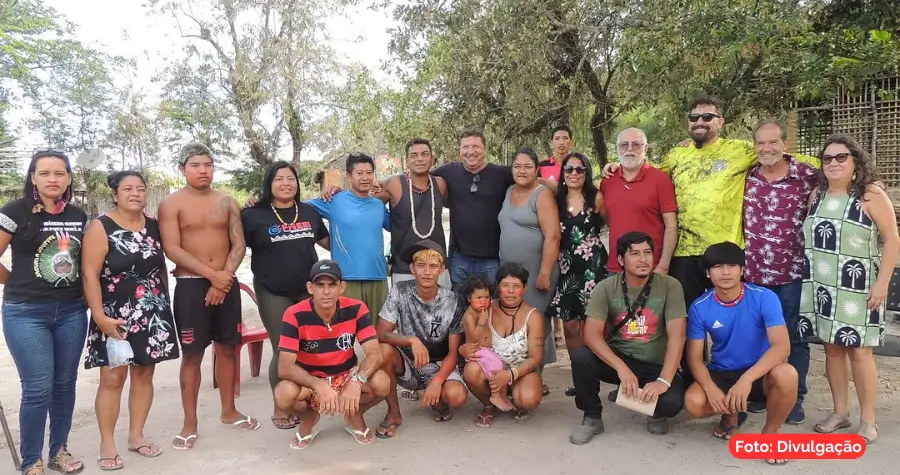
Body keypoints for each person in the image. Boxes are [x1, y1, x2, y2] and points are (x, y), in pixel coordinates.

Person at [157, 142, 257, 451]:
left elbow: (238, 243)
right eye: (196, 165)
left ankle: (229, 411)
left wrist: (223, 279)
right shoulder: (171, 204)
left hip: (225, 284)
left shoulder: (227, 202)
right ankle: (190, 423)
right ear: (182, 169)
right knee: (192, 354)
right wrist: (212, 276)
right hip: (190, 286)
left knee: (228, 349)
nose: (203, 170)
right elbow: (172, 248)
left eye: (208, 165)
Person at [800, 134, 899, 444]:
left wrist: (882, 284)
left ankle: (867, 420)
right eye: (827, 158)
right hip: (823, 286)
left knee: (860, 352)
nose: (833, 163)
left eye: (841, 157)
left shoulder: (870, 196)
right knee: (831, 349)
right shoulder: (816, 195)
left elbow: (892, 240)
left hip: (858, 288)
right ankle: (839, 412)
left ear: (855, 162)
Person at [81, 171, 179, 470]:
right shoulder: (102, 226)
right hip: (114, 314)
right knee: (113, 378)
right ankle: (107, 443)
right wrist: (99, 316)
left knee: (144, 374)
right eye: (128, 189)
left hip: (152, 311)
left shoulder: (153, 225)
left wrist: (163, 304)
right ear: (115, 194)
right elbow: (89, 274)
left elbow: (160, 265)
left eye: (140, 188)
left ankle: (136, 436)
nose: (135, 193)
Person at [0, 149, 89, 475]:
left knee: (65, 384)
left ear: (68, 178)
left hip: (72, 311)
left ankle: (59, 451)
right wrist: (15, 282)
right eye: (45, 173)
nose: (53, 179)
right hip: (25, 313)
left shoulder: (79, 215)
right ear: (33, 177)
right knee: (38, 387)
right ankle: (31, 460)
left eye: (60, 173)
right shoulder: (15, 211)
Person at [684, 242, 798, 466]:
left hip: (760, 373)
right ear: (708, 273)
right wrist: (711, 389)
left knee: (788, 374)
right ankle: (730, 415)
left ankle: (770, 434)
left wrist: (746, 379)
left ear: (743, 270)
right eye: (717, 266)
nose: (725, 272)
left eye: (732, 265)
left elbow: (782, 347)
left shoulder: (764, 297)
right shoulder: (700, 306)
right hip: (723, 371)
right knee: (694, 402)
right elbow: (695, 358)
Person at [569, 232, 687, 444]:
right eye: (635, 254)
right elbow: (591, 335)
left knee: (672, 404)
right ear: (621, 260)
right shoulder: (606, 288)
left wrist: (663, 380)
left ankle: (650, 408)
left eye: (647, 253)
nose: (643, 259)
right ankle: (592, 416)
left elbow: (678, 336)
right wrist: (621, 368)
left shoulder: (670, 286)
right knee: (581, 357)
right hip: (621, 359)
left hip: (655, 363)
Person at [240, 161, 330, 430]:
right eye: (279, 179)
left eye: (291, 178)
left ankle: (302, 401)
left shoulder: (309, 212)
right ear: (269, 183)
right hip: (272, 290)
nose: (286, 183)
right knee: (284, 349)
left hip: (307, 289)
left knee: (308, 348)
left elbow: (330, 242)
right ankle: (280, 407)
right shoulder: (253, 215)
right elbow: (233, 245)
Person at [741, 120, 817, 423]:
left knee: (794, 338)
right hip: (755, 273)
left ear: (785, 144)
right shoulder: (749, 176)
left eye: (773, 142)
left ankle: (794, 398)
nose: (767, 149)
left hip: (792, 274)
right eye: (760, 143)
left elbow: (845, 179)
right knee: (758, 336)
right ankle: (761, 392)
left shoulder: (807, 175)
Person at [273, 260, 391, 448]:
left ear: (342, 287)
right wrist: (318, 384)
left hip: (346, 374)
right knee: (283, 393)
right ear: (310, 288)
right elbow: (284, 367)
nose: (326, 291)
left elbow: (375, 354)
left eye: (332, 284)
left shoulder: (357, 308)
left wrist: (357, 381)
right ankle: (309, 418)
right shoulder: (293, 314)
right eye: (320, 285)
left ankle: (355, 413)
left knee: (383, 382)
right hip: (311, 378)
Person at [430, 130, 558, 289]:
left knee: (491, 306)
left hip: (492, 259)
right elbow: (422, 178)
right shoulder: (448, 171)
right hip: (459, 257)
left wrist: (566, 190)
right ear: (460, 150)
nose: (471, 151)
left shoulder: (501, 173)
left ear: (485, 149)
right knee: (459, 306)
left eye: (476, 146)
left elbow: (530, 178)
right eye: (466, 147)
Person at [376, 240, 468, 438]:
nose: (427, 272)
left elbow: (454, 351)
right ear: (412, 268)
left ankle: (437, 398)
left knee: (456, 396)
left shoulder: (452, 300)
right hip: (409, 364)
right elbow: (381, 333)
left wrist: (437, 381)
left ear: (441, 269)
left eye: (433, 266)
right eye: (421, 266)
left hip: (440, 364)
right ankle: (394, 413)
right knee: (384, 350)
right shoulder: (400, 291)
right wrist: (411, 340)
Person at [498, 147, 561, 395]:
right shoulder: (508, 191)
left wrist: (545, 272)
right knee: (515, 323)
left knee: (535, 322)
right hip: (510, 272)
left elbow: (553, 236)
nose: (521, 171)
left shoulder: (542, 194)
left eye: (527, 166)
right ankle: (518, 375)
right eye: (517, 166)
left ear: (537, 170)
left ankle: (536, 378)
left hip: (537, 271)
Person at [547, 152, 609, 398]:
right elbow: (539, 180)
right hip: (565, 268)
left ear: (587, 172)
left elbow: (610, 226)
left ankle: (601, 373)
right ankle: (580, 377)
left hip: (593, 267)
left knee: (595, 325)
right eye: (569, 169)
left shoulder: (597, 197)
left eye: (580, 169)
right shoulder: (555, 198)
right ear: (562, 172)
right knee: (571, 327)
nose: (574, 173)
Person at [307, 153, 391, 322]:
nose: (365, 178)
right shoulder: (334, 200)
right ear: (349, 176)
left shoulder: (378, 205)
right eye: (359, 173)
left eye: (369, 173)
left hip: (378, 277)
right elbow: (297, 208)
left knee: (379, 334)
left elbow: (398, 225)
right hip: (346, 279)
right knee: (344, 335)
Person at [461, 264, 545, 427]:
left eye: (516, 286)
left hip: (521, 371)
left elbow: (536, 358)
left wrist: (510, 375)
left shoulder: (533, 315)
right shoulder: (484, 308)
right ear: (497, 287)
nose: (511, 291)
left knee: (527, 400)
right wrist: (463, 348)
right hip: (491, 371)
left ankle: (513, 397)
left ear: (525, 288)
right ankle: (489, 404)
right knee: (471, 370)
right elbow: (472, 338)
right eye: (505, 285)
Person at [600, 127, 677, 275]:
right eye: (624, 145)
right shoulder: (608, 181)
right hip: (616, 268)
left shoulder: (660, 180)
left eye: (636, 144)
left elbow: (671, 225)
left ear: (645, 148)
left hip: (651, 268)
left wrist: (663, 265)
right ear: (617, 148)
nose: (629, 149)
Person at [458, 275, 514, 411]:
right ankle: (495, 395)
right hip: (477, 350)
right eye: (479, 298)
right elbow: (473, 338)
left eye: (486, 297)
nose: (483, 301)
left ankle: (503, 396)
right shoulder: (469, 315)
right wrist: (482, 323)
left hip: (488, 350)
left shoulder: (486, 310)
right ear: (469, 298)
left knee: (501, 364)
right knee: (496, 366)